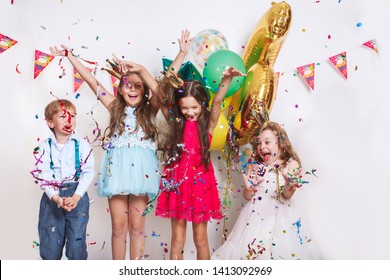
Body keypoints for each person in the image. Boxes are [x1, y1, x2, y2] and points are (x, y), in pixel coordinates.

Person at [49, 45, 161, 260]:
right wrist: (70, 56)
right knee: (119, 227)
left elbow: (161, 92)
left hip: (141, 174)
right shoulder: (114, 106)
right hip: (117, 172)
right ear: (120, 88)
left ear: (145, 89)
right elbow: (92, 82)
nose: (133, 89)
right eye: (128, 85)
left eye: (138, 86)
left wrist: (143, 69)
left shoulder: (150, 109)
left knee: (137, 227)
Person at [143, 30, 245, 260]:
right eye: (185, 108)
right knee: (177, 240)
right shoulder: (175, 120)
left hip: (200, 183)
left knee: (201, 239)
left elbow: (218, 101)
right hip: (177, 181)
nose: (189, 112)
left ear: (202, 106)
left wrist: (227, 79)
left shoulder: (207, 124)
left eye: (194, 108)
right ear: (179, 107)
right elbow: (161, 91)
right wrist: (181, 53)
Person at [211, 121, 322, 260]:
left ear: (280, 143)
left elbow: (287, 195)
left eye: (267, 142)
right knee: (251, 252)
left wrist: (289, 183)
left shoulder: (290, 164)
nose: (262, 146)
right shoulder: (255, 167)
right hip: (254, 216)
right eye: (259, 143)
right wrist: (248, 188)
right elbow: (247, 196)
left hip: (281, 218)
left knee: (279, 252)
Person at [32, 99, 95, 260]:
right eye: (63, 116)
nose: (69, 119)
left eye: (73, 116)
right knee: (50, 244)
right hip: (52, 197)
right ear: (50, 122)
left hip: (77, 195)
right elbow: (43, 173)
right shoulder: (43, 147)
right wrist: (55, 197)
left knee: (76, 244)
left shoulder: (82, 145)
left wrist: (76, 196)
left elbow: (88, 172)